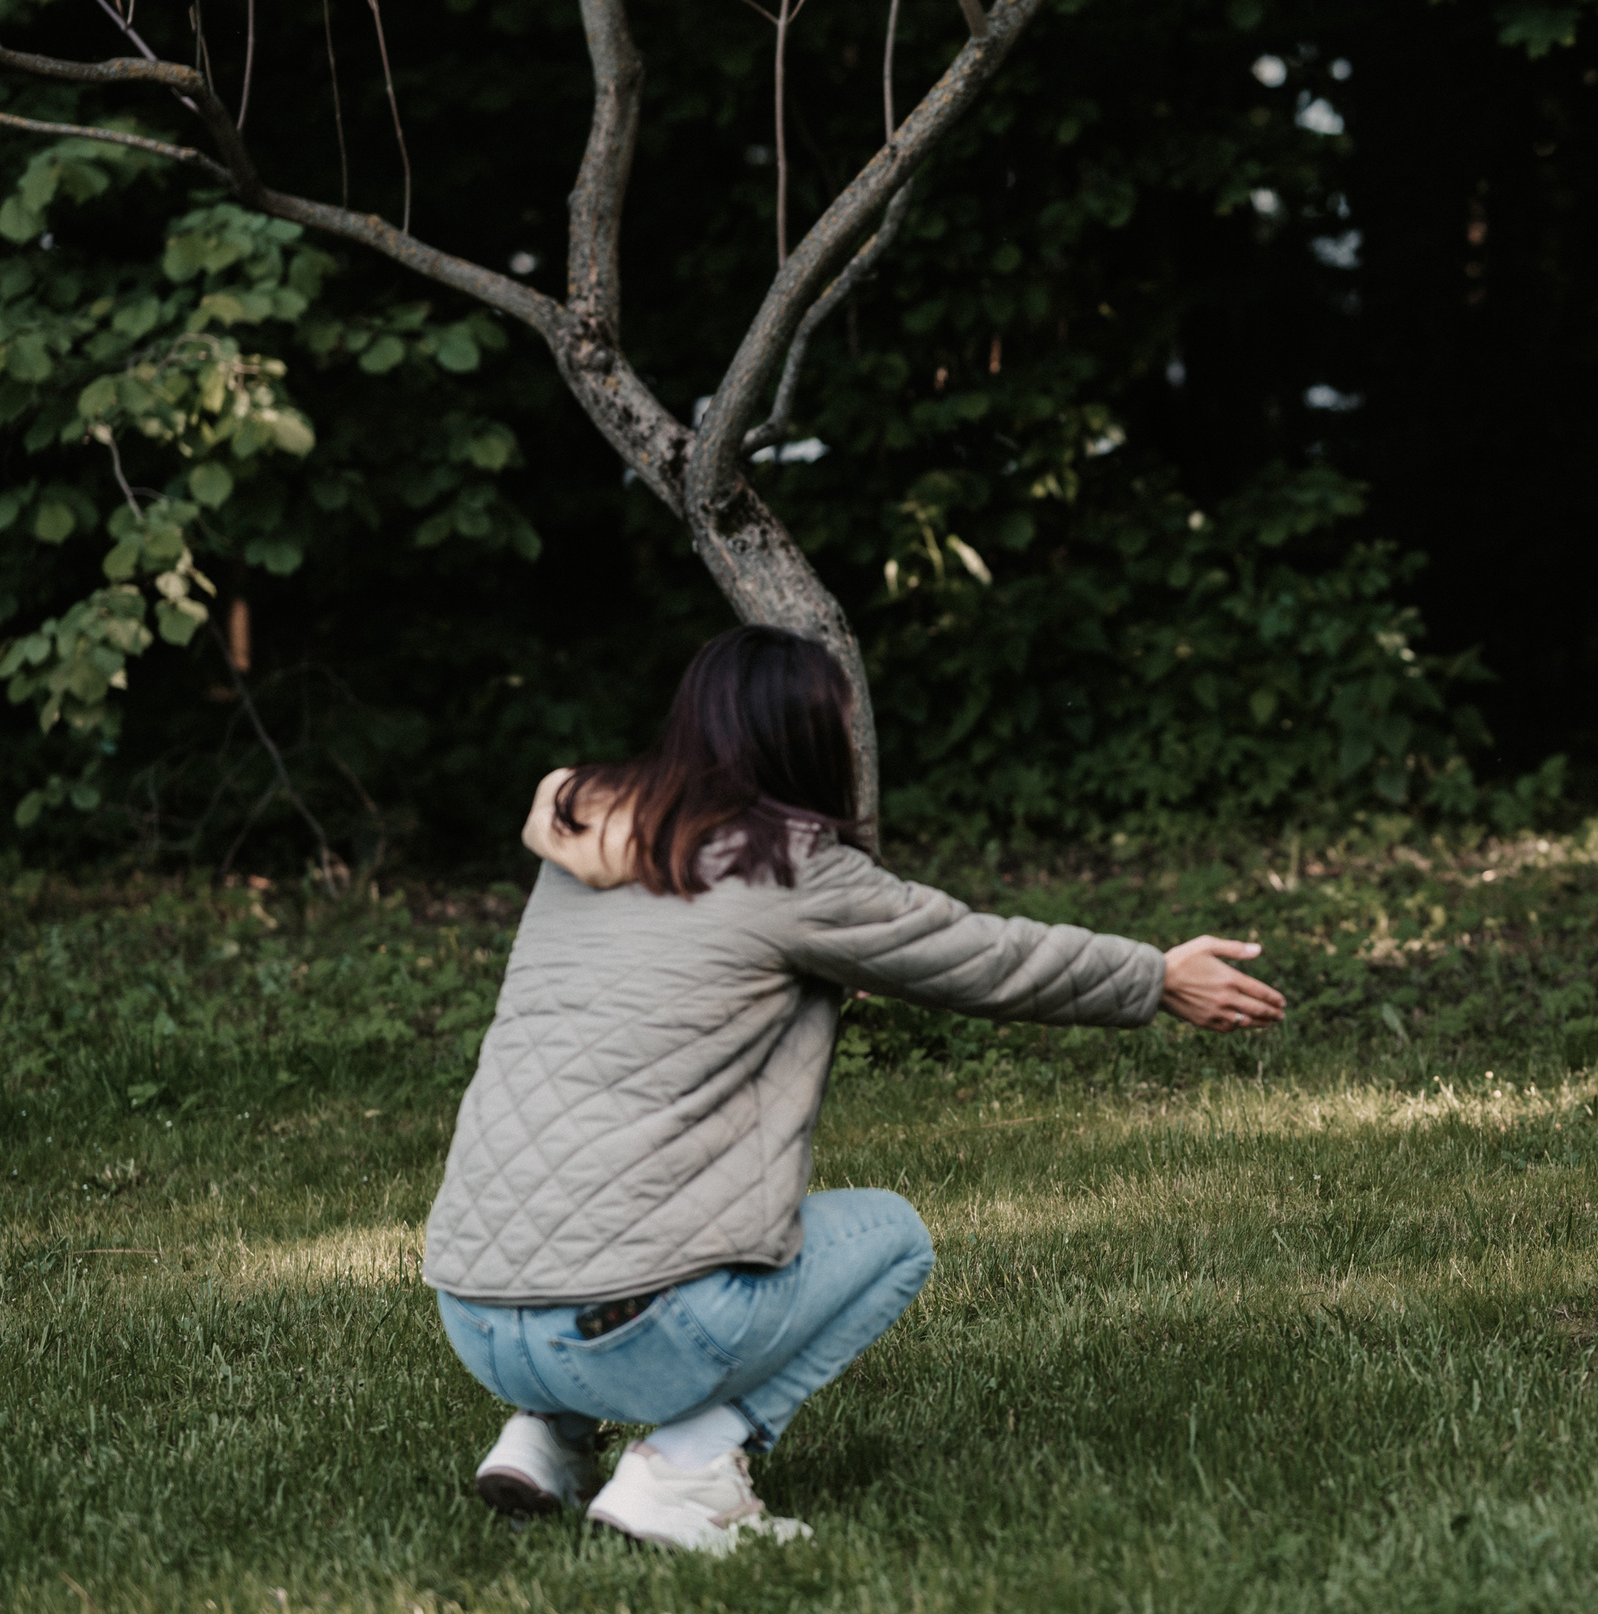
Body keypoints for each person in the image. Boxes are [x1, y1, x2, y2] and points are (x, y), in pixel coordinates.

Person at [421, 626, 1284, 1555]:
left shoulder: (584, 833)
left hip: (473, 1311)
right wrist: (1155, 975)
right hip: (627, 1330)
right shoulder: (788, 867)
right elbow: (988, 956)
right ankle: (684, 1473)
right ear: (806, 741)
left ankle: (542, 1437)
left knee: (595, 1190)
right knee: (893, 1238)